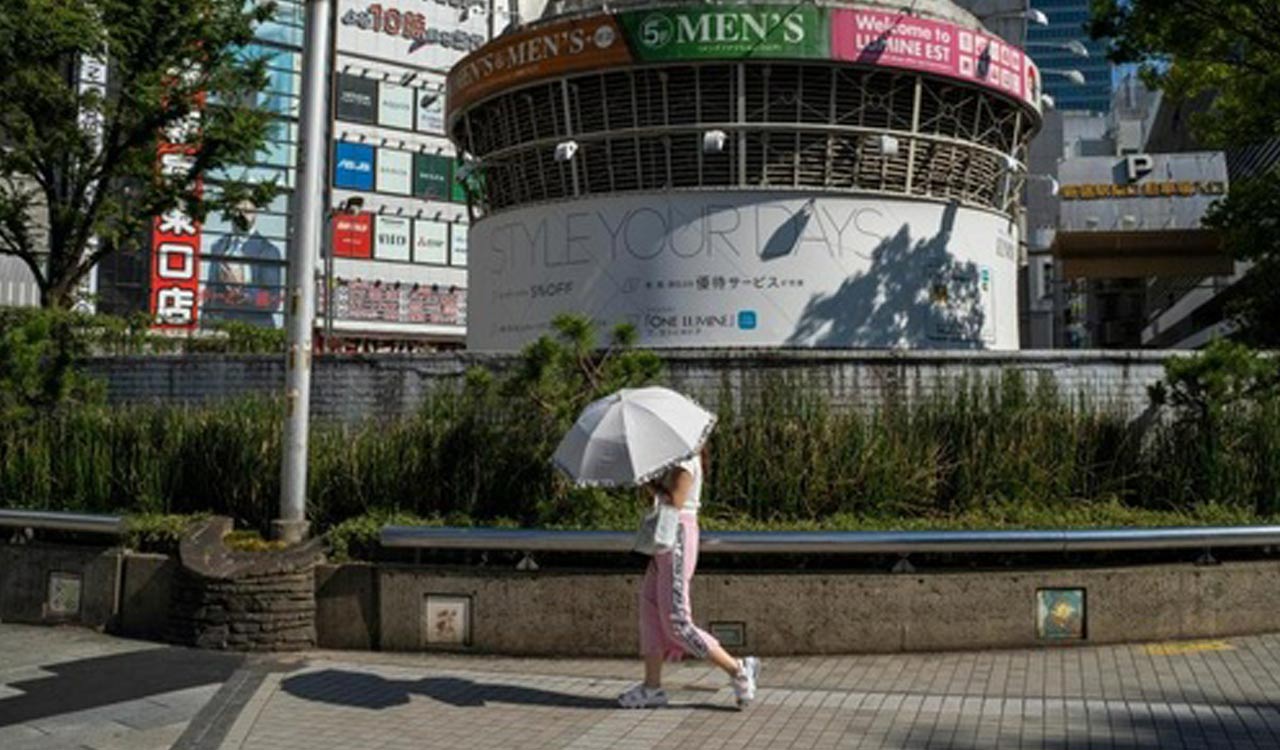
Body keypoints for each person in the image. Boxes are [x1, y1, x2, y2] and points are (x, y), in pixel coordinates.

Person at [618, 449, 761, 710]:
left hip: (678, 534)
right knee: (649, 609)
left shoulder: (686, 458)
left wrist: (647, 480)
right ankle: (652, 687)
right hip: (664, 535)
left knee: (677, 621)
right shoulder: (672, 457)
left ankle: (739, 669)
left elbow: (676, 499)